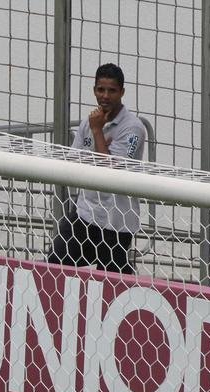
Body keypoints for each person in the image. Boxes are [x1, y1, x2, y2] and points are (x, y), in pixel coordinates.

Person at [47, 63, 147, 274]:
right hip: (86, 214)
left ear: (122, 92)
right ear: (94, 90)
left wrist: (97, 132)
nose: (105, 95)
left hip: (116, 222)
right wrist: (99, 143)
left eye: (112, 90)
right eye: (101, 89)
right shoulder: (89, 122)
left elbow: (110, 174)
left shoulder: (133, 128)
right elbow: (74, 161)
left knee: (111, 282)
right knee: (54, 264)